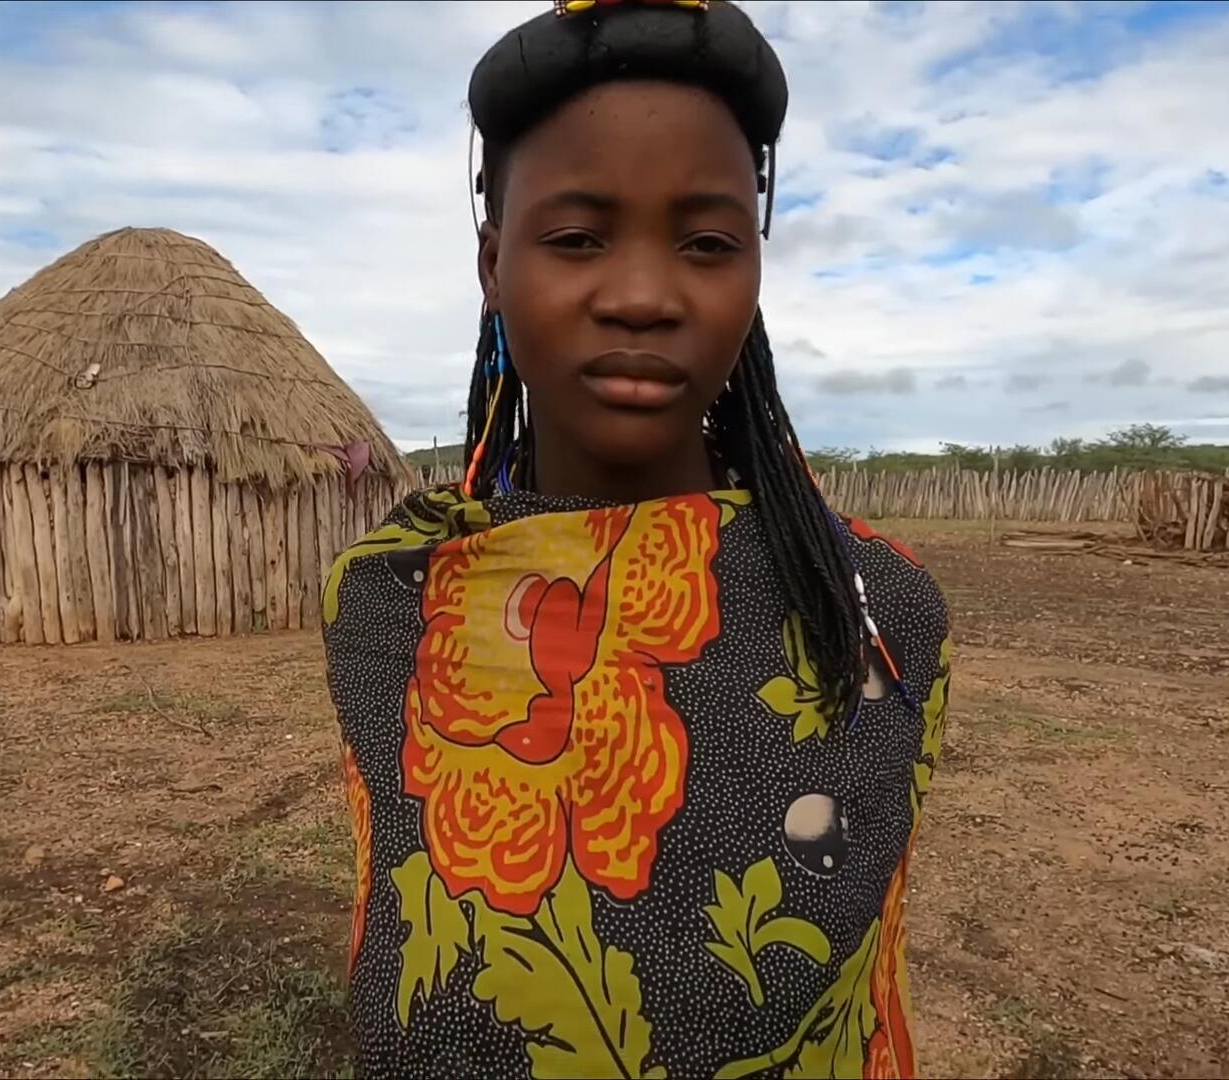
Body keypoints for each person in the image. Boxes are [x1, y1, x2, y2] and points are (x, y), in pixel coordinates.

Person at [319, 2, 952, 1077]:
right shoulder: (389, 598)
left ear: (755, 272)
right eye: (577, 238)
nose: (644, 297)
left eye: (707, 243)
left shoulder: (877, 613)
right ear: (492, 264)